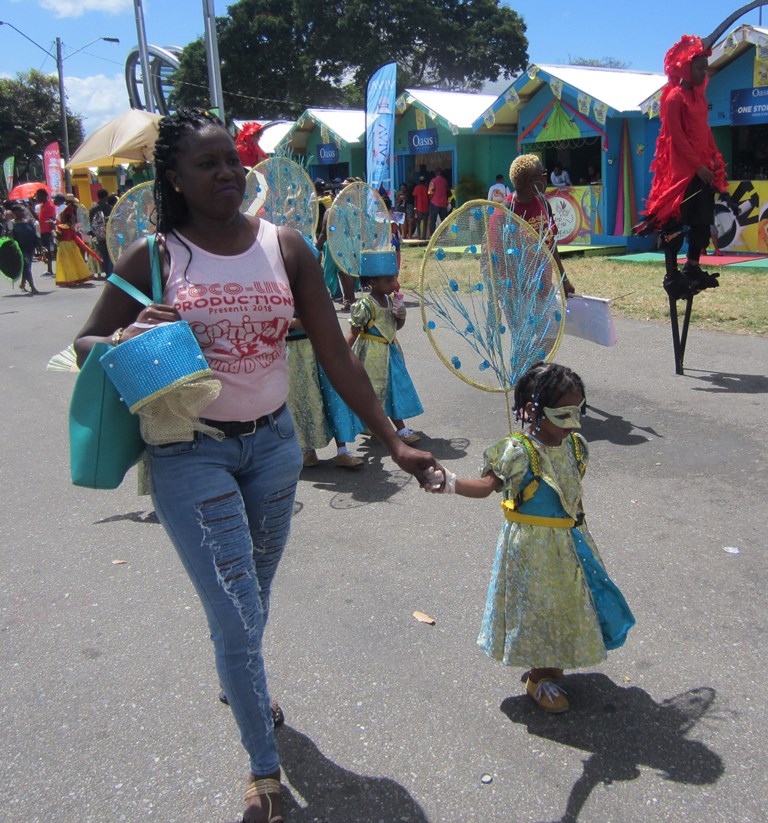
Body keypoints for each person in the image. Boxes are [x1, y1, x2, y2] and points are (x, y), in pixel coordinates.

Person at [73, 108, 438, 823]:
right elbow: (84, 342)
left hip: (273, 448)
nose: (226, 175)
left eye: (231, 162)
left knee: (251, 599)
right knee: (238, 615)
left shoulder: (287, 246)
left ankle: (237, 673)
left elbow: (335, 354)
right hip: (189, 451)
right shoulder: (155, 256)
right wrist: (122, 332)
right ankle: (263, 768)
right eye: (207, 164)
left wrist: (393, 439)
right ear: (173, 177)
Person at [424, 361, 635, 713]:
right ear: (532, 410)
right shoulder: (518, 450)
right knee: (539, 609)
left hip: (569, 542)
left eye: (576, 412)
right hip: (532, 551)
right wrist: (449, 483)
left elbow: (572, 492)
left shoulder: (575, 446)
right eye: (562, 414)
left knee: (567, 604)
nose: (573, 424)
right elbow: (487, 487)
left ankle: (552, 667)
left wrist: (581, 534)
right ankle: (539, 676)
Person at [636, 35, 727, 301]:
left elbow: (704, 133)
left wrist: (714, 160)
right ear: (686, 68)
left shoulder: (699, 98)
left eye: (705, 68)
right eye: (700, 68)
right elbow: (676, 136)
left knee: (702, 222)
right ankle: (672, 275)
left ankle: (693, 267)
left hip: (702, 173)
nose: (704, 72)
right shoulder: (675, 98)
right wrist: (698, 167)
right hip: (681, 176)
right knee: (674, 227)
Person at [347, 261, 423, 444]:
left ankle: (378, 425)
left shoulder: (390, 301)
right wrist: (340, 354)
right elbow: (354, 332)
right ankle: (401, 430)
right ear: (373, 282)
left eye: (394, 280)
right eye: (389, 281)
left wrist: (400, 316)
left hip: (391, 353)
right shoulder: (365, 305)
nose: (393, 285)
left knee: (394, 389)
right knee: (374, 391)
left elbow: (396, 327)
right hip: (372, 356)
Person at [286, 313, 364, 468]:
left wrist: (297, 322)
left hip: (317, 347)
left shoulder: (309, 290)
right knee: (299, 401)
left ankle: (342, 451)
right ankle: (306, 450)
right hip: (291, 352)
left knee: (332, 398)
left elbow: (321, 317)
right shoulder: (276, 291)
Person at [508, 154, 575, 296]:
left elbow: (551, 245)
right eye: (543, 174)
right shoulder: (506, 210)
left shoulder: (544, 204)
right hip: (517, 293)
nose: (546, 177)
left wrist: (564, 280)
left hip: (543, 289)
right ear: (530, 180)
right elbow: (496, 255)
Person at [55, 195, 96, 287]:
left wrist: (88, 231)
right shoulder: (69, 210)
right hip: (74, 233)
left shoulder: (79, 209)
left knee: (83, 252)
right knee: (77, 256)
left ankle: (85, 272)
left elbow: (86, 221)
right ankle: (78, 274)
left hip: (82, 232)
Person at [11, 205, 40, 294]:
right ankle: (32, 286)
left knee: (27, 266)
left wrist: (39, 245)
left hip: (30, 247)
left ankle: (23, 284)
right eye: (19, 212)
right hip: (20, 249)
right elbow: (10, 237)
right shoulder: (12, 224)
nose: (22, 213)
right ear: (15, 213)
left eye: (22, 211)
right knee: (27, 266)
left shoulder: (29, 222)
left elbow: (34, 234)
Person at [89, 188, 114, 279]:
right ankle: (109, 273)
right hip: (108, 233)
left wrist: (91, 233)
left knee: (102, 253)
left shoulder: (92, 209)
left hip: (98, 235)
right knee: (109, 253)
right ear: (106, 197)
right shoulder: (110, 208)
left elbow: (90, 223)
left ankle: (106, 271)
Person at [34, 189, 57, 276]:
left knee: (49, 250)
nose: (37, 197)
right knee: (46, 250)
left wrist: (52, 232)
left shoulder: (50, 205)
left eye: (38, 196)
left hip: (48, 232)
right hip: (43, 231)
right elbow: (38, 218)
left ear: (44, 196)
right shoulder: (41, 206)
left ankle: (50, 269)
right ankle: (49, 269)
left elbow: (53, 219)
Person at [427, 168, 450, 237]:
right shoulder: (445, 181)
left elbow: (430, 192)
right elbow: (447, 190)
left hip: (434, 203)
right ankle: (444, 235)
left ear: (436, 173)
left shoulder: (433, 181)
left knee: (432, 220)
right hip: (443, 203)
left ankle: (432, 236)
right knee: (444, 221)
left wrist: (430, 197)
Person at [412, 176, 430, 240]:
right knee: (425, 223)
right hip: (426, 208)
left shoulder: (416, 188)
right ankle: (423, 236)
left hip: (418, 208)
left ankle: (419, 236)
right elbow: (429, 198)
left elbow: (415, 198)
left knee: (418, 223)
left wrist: (415, 207)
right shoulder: (427, 188)